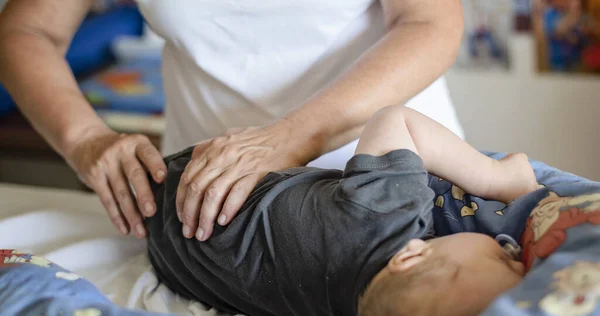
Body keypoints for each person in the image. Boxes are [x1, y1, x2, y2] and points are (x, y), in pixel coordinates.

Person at [0, 0, 463, 243]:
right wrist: (84, 138)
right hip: (212, 207)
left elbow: (429, 22)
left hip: (389, 182)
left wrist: (293, 137)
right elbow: (27, 29)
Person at [146, 105, 539, 316]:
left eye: (503, 260)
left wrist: (494, 179)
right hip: (174, 260)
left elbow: (396, 120)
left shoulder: (390, 217)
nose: (517, 256)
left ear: (412, 256)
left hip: (194, 181)